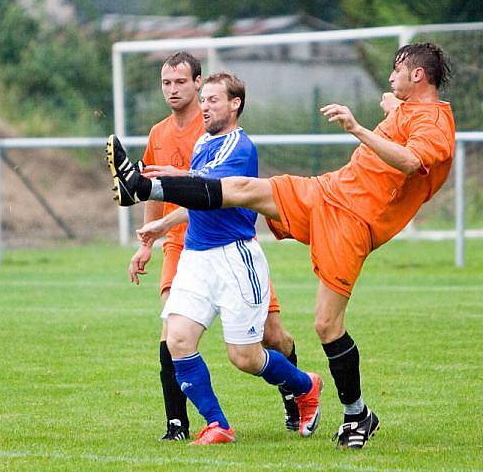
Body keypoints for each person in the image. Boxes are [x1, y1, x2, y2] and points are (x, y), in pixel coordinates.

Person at [107, 42, 455, 449]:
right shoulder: (412, 111)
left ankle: (357, 413)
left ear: (418, 76)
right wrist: (395, 108)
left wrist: (358, 128)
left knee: (325, 326)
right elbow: (404, 116)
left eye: (396, 70)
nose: (390, 77)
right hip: (326, 192)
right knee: (248, 189)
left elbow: (413, 161)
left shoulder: (435, 124)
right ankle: (144, 187)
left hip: (353, 221)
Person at [108, 71, 323, 445]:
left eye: (213, 100)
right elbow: (200, 201)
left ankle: (306, 386)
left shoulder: (239, 147)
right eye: (203, 100)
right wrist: (162, 226)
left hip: (234, 259)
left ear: (235, 104)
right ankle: (217, 424)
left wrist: (162, 182)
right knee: (177, 339)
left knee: (245, 357)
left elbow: (211, 190)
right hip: (196, 257)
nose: (204, 107)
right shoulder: (203, 145)